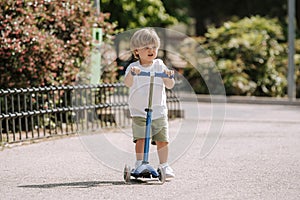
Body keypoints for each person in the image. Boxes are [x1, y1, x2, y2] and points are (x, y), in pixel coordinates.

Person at [124, 28, 175, 178]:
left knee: (162, 140)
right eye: (146, 48)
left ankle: (164, 165)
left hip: (158, 110)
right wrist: (132, 74)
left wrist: (168, 76)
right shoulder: (134, 67)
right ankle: (140, 163)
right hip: (139, 111)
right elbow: (127, 83)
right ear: (136, 51)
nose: (151, 50)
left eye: (154, 47)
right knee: (141, 138)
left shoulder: (159, 65)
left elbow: (170, 84)